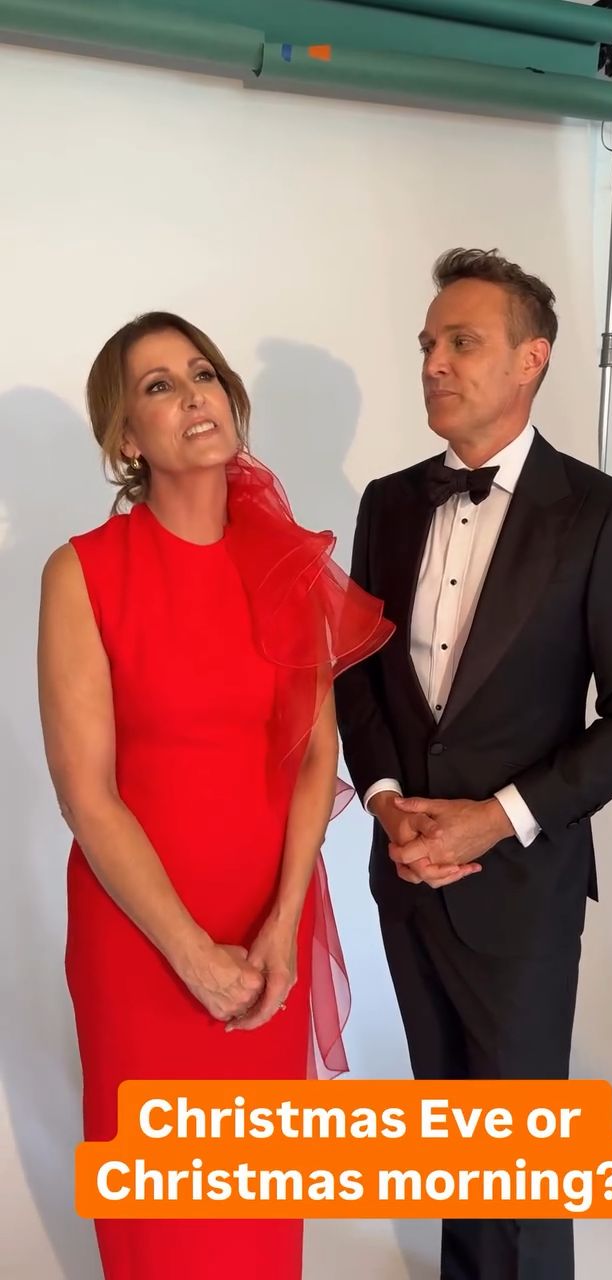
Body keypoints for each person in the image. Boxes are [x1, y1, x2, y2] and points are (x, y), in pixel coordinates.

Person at [335, 248, 612, 1280]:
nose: (434, 363)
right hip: (406, 875)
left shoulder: (603, 515)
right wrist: (386, 799)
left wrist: (498, 816)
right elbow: (360, 677)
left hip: (522, 884)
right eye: (428, 344)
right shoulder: (389, 503)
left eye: (462, 342)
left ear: (533, 359)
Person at [37, 312, 393, 1280]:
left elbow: (317, 754)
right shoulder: (82, 572)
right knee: (161, 1214)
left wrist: (283, 924)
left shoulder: (283, 564)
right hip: (138, 934)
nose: (193, 394)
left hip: (267, 921)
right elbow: (85, 794)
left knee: (254, 1208)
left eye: (202, 372)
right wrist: (190, 953)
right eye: (158, 385)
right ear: (126, 436)